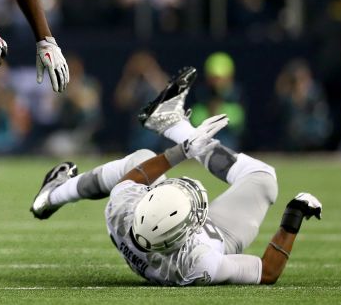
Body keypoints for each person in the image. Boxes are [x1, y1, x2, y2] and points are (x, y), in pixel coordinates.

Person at [30, 66, 322, 286]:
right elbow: (267, 271)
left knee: (140, 158)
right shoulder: (198, 262)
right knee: (264, 178)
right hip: (222, 234)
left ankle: (54, 194)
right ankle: (172, 125)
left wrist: (183, 150)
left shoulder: (122, 213)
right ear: (188, 231)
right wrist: (292, 220)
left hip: (157, 233)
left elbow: (137, 175)